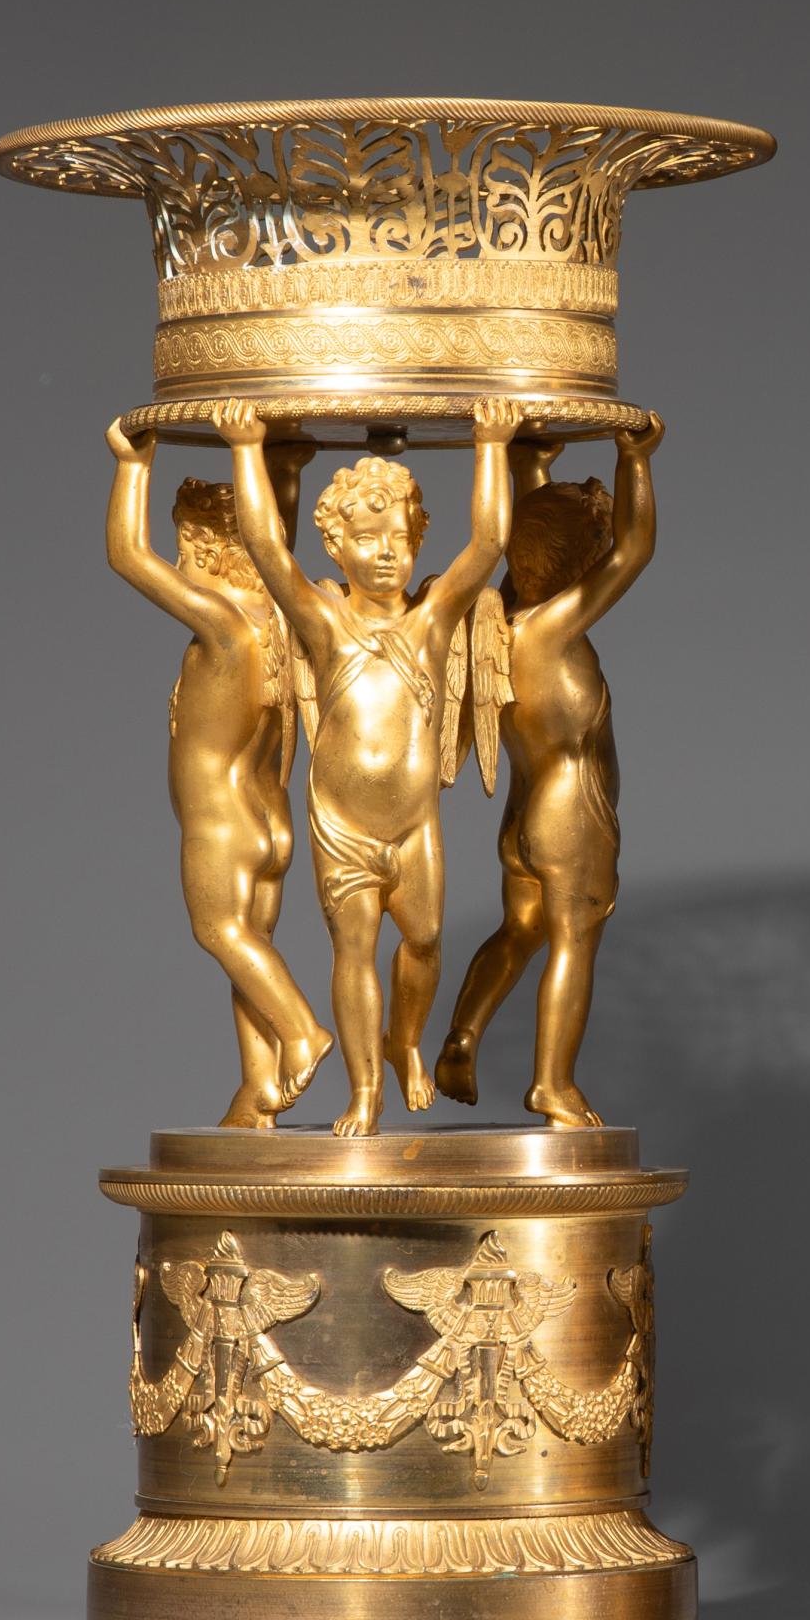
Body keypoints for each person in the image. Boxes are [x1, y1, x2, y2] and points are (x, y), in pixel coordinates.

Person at [219, 398, 514, 1135]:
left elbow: (489, 543)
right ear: (334, 544)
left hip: (414, 828)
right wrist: (246, 448)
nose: (387, 553)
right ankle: (364, 1093)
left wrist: (492, 442)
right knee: (353, 953)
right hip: (343, 828)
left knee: (424, 941)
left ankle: (403, 1041)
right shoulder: (323, 623)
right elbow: (263, 546)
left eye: (400, 539)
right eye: (367, 538)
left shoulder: (431, 622)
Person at [435, 416, 660, 1128]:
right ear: (577, 564)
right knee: (573, 939)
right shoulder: (558, 626)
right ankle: (552, 1084)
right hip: (572, 814)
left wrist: (528, 463)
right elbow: (635, 549)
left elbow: (533, 533)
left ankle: (464, 1031)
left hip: (523, 814)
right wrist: (636, 460)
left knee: (521, 927)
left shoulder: (503, 618)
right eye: (591, 547)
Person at [104, 422, 331, 1126]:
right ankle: (256, 1095)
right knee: (250, 948)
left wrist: (132, 465)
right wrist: (279, 466)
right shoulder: (277, 621)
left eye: (186, 550)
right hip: (269, 819)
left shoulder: (223, 628)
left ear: (206, 552)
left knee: (221, 934)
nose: (180, 563)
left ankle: (301, 1031)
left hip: (220, 823)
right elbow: (275, 545)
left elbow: (127, 555)